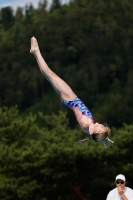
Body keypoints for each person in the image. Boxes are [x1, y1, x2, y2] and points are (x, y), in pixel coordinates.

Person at [30, 36, 113, 148]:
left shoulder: (87, 125)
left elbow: (88, 126)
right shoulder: (89, 130)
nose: (100, 124)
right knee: (48, 76)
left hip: (72, 99)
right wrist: (105, 139)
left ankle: (36, 50)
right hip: (69, 101)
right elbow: (93, 132)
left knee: (50, 74)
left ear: (95, 131)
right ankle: (35, 52)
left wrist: (92, 128)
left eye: (100, 127)